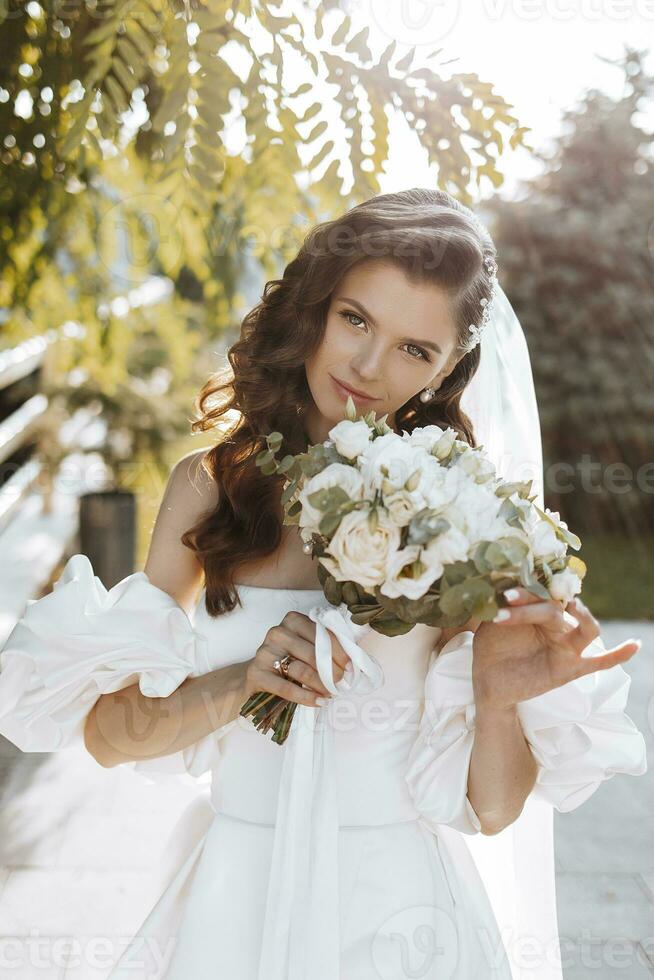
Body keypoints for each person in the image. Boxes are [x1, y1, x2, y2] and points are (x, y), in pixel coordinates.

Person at [0, 188, 647, 980]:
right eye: (356, 319)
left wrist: (497, 696)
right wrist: (241, 681)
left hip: (400, 915)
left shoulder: (463, 516)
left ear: (449, 371)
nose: (370, 368)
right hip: (239, 898)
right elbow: (109, 737)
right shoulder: (209, 487)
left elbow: (493, 808)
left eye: (417, 349)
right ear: (312, 307)